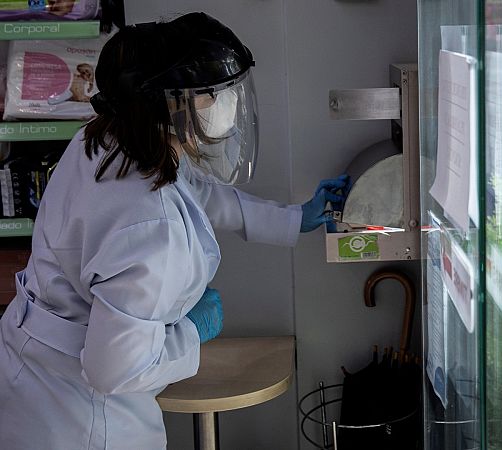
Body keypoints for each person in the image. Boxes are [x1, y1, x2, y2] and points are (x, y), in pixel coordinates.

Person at [0, 13, 346, 449]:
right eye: (211, 95)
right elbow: (115, 370)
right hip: (85, 419)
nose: (225, 106)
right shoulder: (150, 228)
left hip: (29, 374)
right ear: (169, 103)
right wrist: (191, 332)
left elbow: (197, 192)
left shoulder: (108, 140)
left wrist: (295, 218)